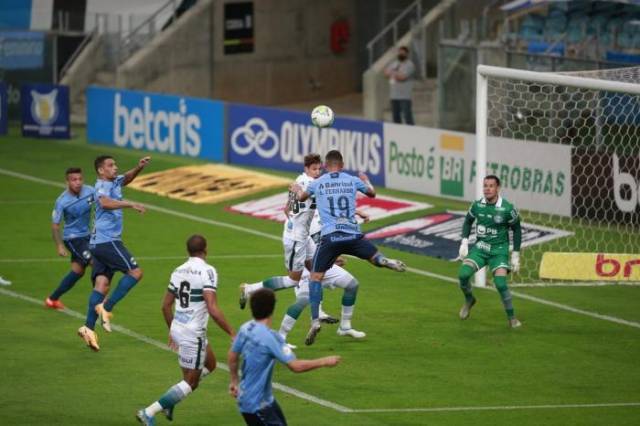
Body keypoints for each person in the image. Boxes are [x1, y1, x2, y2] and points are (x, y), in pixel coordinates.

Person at [291, 150, 406, 346]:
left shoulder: (318, 182)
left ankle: (315, 320)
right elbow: (372, 193)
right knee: (374, 257)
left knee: (315, 277)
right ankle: (384, 260)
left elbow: (301, 198)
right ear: (342, 165)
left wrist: (295, 189)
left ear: (326, 166)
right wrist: (366, 180)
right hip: (352, 234)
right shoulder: (352, 180)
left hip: (330, 236)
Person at [136, 235, 235, 425]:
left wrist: (172, 329)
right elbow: (212, 308)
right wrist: (232, 332)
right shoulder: (208, 271)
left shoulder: (178, 270)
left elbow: (165, 306)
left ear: (188, 251)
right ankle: (148, 412)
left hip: (178, 328)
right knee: (190, 382)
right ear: (206, 249)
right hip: (193, 333)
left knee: (211, 364)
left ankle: (170, 402)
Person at [239, 154, 337, 323]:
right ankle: (250, 289)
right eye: (314, 169)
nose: (317, 172)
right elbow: (310, 197)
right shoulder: (308, 183)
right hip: (296, 239)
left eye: (319, 168)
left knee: (317, 271)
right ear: (306, 169)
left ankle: (318, 311)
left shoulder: (299, 180)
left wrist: (293, 215)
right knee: (293, 280)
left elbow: (287, 208)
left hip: (302, 236)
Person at [228, 288, 340, 426]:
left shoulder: (246, 328)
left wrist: (234, 380)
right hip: (257, 404)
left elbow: (233, 354)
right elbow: (295, 366)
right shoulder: (271, 337)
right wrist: (324, 361)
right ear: (272, 309)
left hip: (261, 399)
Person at [77, 155, 150, 351]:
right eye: (110, 165)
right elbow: (105, 203)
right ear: (101, 170)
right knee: (136, 272)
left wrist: (138, 167)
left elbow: (126, 178)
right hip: (107, 241)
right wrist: (130, 204)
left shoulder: (114, 181)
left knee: (102, 284)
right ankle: (106, 308)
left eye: (115, 164)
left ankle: (88, 328)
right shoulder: (101, 185)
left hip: (96, 243)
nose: (115, 167)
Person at [457, 175, 522, 328]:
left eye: (491, 186)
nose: (487, 188)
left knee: (500, 284)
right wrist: (464, 241)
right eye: (485, 185)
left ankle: (512, 318)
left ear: (498, 188)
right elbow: (467, 221)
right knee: (463, 275)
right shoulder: (477, 205)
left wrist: (516, 255)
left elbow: (517, 229)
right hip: (480, 249)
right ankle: (469, 299)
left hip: (499, 251)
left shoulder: (507, 208)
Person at [45, 167, 95, 310]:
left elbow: (103, 201)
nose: (78, 182)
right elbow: (55, 225)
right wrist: (60, 246)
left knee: (77, 271)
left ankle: (52, 299)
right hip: (72, 238)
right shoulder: (62, 201)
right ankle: (99, 302)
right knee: (95, 262)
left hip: (87, 236)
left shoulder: (90, 191)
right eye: (74, 180)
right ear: (67, 181)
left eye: (80, 179)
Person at [383, 46, 415, 125]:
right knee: (395, 117)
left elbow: (402, 77)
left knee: (407, 117)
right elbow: (385, 73)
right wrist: (396, 74)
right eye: (400, 52)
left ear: (407, 54)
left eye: (403, 53)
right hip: (394, 95)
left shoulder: (410, 65)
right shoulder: (394, 63)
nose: (401, 54)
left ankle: (411, 132)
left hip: (405, 96)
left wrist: (392, 73)